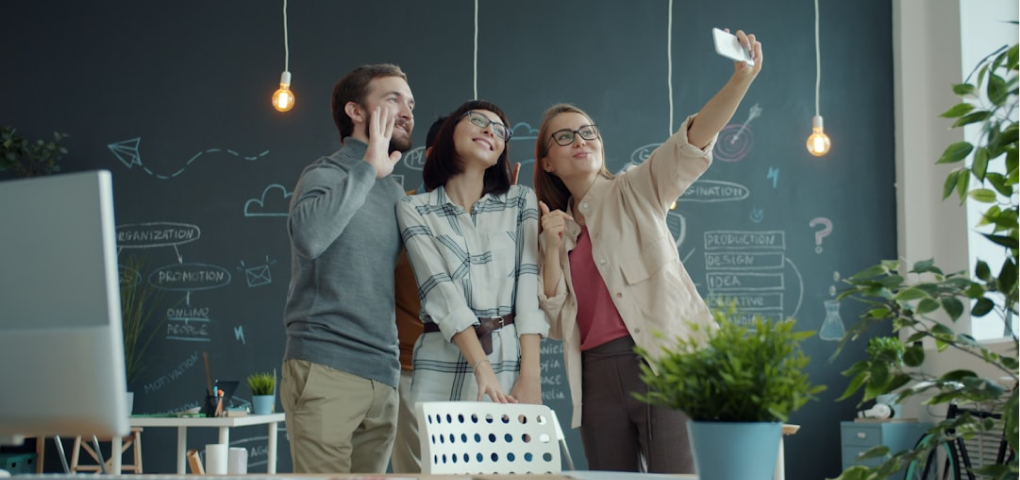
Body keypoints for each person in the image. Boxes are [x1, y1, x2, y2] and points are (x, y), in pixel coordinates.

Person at [534, 30, 763, 473]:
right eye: (564, 138)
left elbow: (692, 142)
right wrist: (549, 248)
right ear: (547, 162)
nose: (580, 141)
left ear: (601, 145)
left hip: (665, 362)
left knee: (677, 476)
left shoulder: (636, 189)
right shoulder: (552, 229)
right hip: (595, 377)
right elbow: (557, 325)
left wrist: (741, 79)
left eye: (588, 132)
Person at [280, 63, 414, 474]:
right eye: (393, 99)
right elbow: (310, 238)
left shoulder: (394, 193)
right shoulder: (328, 173)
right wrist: (367, 166)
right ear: (356, 112)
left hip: (384, 376)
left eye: (411, 103)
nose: (408, 111)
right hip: (326, 369)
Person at [397, 100, 547, 407]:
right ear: (449, 134)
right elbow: (441, 291)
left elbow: (529, 291)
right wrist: (482, 367)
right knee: (440, 457)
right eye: (477, 120)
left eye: (499, 130)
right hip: (440, 364)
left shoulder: (520, 201)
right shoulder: (413, 208)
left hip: (510, 362)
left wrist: (531, 377)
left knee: (510, 456)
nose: (489, 130)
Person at [390, 115, 446, 474]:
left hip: (475, 371)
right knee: (414, 471)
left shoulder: (492, 216)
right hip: (409, 368)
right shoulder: (401, 209)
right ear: (430, 157)